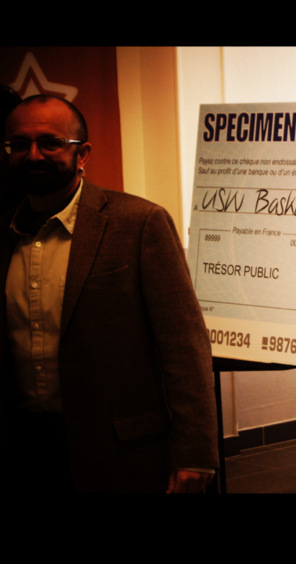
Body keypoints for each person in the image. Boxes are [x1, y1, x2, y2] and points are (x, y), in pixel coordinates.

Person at [1, 94, 218, 493]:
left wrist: (195, 450)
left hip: (119, 453)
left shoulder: (138, 223)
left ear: (82, 154)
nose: (33, 155)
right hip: (26, 449)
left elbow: (184, 345)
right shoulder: (3, 234)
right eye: (19, 144)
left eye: (50, 143)